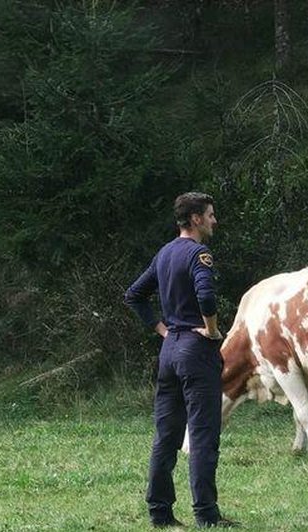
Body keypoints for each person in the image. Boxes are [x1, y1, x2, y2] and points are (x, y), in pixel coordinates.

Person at [124, 192, 235, 528]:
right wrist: (212, 330)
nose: (215, 220)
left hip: (170, 350)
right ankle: (206, 515)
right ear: (197, 219)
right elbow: (205, 294)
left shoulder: (165, 253)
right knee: (202, 434)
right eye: (211, 215)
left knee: (166, 436)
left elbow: (135, 295)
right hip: (195, 352)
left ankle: (160, 513)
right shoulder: (199, 254)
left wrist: (162, 330)